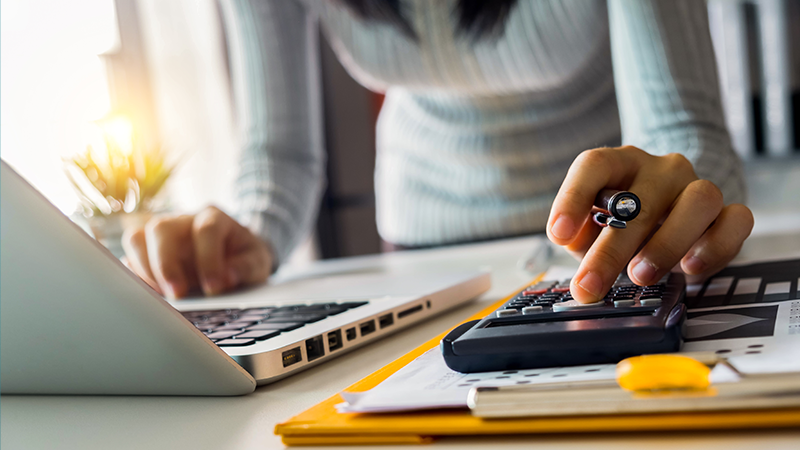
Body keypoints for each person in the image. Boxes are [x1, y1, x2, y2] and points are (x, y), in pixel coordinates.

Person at [122, 0, 754, 304]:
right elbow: (277, 157)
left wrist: (671, 203)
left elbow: (681, 133)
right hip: (419, 258)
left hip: (602, 240)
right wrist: (246, 236)